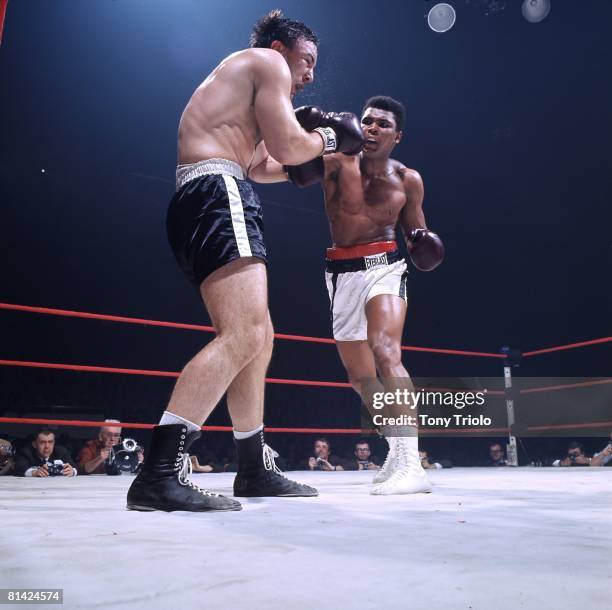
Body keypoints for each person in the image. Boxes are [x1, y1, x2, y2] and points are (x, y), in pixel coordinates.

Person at [127, 10, 365, 512]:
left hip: (209, 193)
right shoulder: (265, 62)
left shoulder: (240, 85)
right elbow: (287, 146)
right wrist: (328, 138)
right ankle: (159, 472)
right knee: (242, 335)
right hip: (217, 192)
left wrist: (315, 160)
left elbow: (263, 164)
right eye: (306, 61)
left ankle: (253, 467)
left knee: (259, 334)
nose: (309, 75)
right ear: (281, 48)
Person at [284, 96, 444, 495]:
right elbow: (294, 169)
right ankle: (395, 450)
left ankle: (412, 462)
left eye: (382, 124)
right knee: (360, 379)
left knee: (386, 350)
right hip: (340, 275)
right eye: (368, 121)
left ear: (397, 136)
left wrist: (425, 245)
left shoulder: (409, 179)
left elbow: (416, 236)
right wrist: (309, 127)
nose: (372, 128)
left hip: (385, 269)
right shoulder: (337, 162)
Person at [78, 420, 143, 475]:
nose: (112, 438)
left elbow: (131, 471)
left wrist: (137, 461)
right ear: (100, 436)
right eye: (109, 434)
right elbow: (82, 469)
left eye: (116, 435)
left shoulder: (125, 448)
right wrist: (99, 458)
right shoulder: (90, 447)